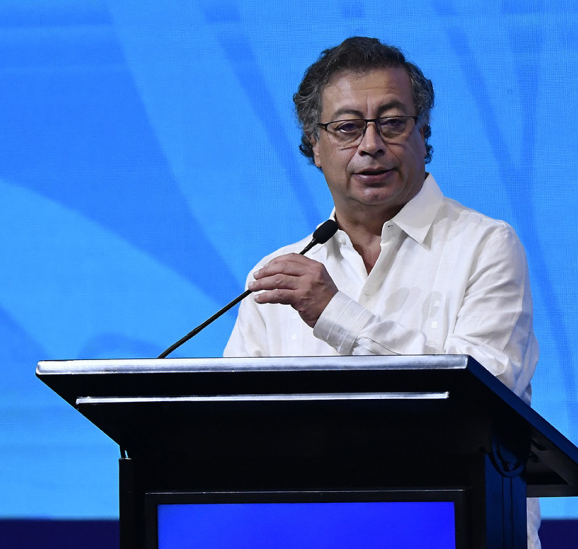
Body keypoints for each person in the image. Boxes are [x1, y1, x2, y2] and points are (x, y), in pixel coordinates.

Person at [224, 36, 541, 548]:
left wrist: (334, 313)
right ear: (315, 144)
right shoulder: (280, 275)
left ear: (423, 133)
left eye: (392, 123)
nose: (371, 145)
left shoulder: (485, 246)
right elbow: (229, 434)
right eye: (348, 128)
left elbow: (486, 395)